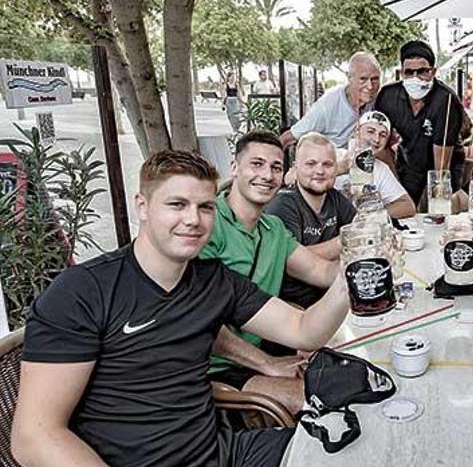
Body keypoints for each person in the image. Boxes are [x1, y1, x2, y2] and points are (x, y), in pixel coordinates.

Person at [12, 149, 351, 466]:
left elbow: (303, 329)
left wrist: (351, 276)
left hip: (219, 452)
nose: (193, 219)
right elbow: (34, 437)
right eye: (177, 204)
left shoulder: (214, 281)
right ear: (142, 206)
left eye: (205, 207)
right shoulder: (81, 291)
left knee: (351, 448)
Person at [199, 131, 341, 415]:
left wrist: (368, 257)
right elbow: (203, 322)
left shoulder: (273, 228)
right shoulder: (206, 224)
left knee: (343, 377)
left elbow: (322, 271)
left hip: (264, 351)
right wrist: (265, 363)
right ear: (235, 167)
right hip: (213, 367)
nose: (267, 174)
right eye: (257, 164)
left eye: (276, 167)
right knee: (320, 404)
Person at [267, 133, 358, 308]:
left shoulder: (334, 197)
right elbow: (292, 261)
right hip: (296, 306)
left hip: (334, 292)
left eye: (327, 164)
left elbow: (360, 227)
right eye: (311, 164)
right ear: (295, 168)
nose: (320, 171)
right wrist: (343, 241)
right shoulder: (283, 204)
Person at [375, 40, 466, 204]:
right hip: (409, 163)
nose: (415, 78)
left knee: (439, 209)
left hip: (444, 165)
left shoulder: (446, 101)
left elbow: (441, 167)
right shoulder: (388, 97)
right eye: (409, 72)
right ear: (401, 73)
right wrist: (395, 185)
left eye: (423, 71)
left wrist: (435, 195)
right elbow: (381, 146)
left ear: (433, 71)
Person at [285, 52, 382, 148]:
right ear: (349, 78)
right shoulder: (326, 107)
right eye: (363, 79)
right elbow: (286, 138)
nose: (370, 86)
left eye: (375, 79)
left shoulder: (378, 100)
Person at [334, 112, 417, 219]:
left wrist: (371, 216)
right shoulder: (333, 156)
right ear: (357, 132)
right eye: (370, 131)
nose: (376, 139)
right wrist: (339, 168)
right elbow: (306, 180)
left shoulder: (380, 168)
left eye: (382, 135)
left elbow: (408, 206)